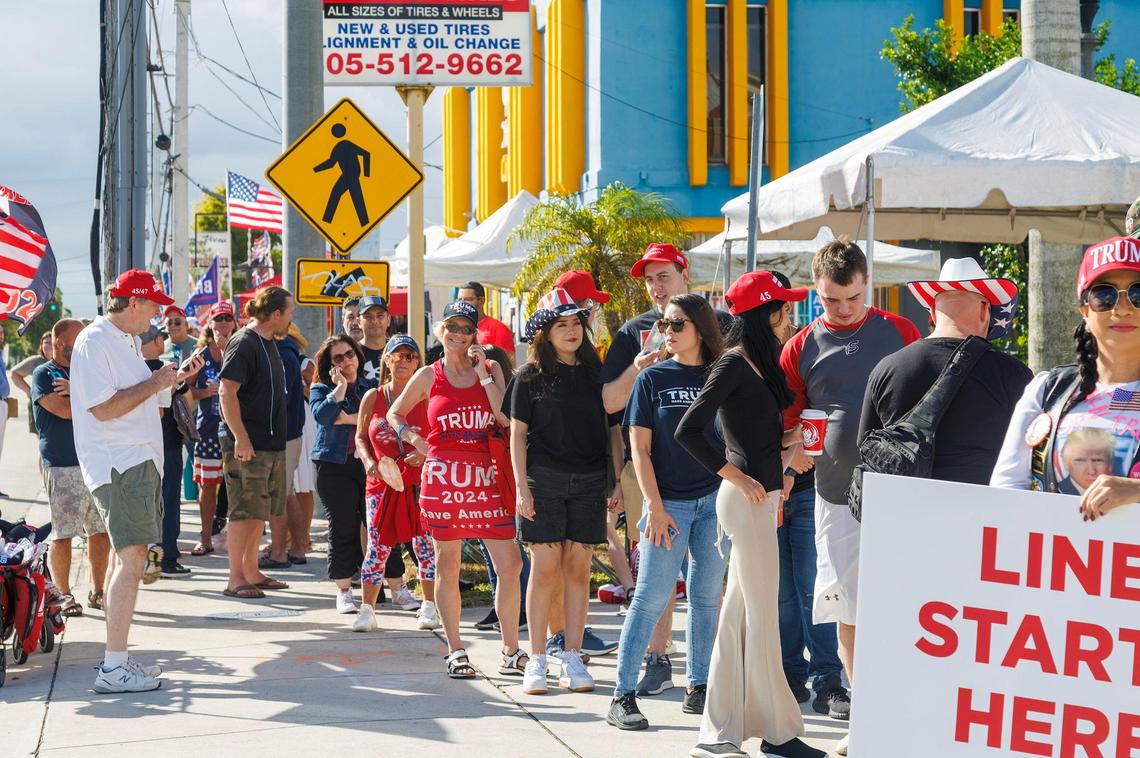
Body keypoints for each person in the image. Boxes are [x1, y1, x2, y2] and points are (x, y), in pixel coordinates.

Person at [676, 270, 825, 758]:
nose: (789, 318)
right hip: (745, 501)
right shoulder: (734, 365)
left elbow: (757, 438)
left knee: (742, 616)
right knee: (759, 618)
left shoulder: (759, 364)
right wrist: (737, 477)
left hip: (759, 500)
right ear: (768, 313)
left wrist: (790, 444)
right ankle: (778, 734)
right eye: (784, 309)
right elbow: (688, 430)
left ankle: (719, 734)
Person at [779, 240, 920, 748]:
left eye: (853, 299)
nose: (842, 310)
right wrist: (790, 456)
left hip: (899, 492)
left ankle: (902, 711)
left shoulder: (900, 331)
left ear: (868, 284)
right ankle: (863, 717)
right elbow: (789, 419)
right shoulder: (800, 345)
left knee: (903, 603)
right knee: (848, 607)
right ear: (818, 293)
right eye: (831, 301)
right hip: (834, 494)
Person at [599, 243, 726, 696]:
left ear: (684, 274)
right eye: (649, 279)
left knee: (706, 592)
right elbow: (611, 405)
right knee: (654, 589)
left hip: (714, 492)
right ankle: (651, 663)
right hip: (654, 480)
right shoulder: (635, 333)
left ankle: (701, 682)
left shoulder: (721, 340)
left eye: (663, 276)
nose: (655, 286)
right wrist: (638, 370)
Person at [69, 269, 203, 693]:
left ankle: (117, 661)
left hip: (132, 461)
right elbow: (103, 409)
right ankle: (113, 667)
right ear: (132, 303)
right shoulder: (96, 340)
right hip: (119, 463)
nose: (157, 314)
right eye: (152, 305)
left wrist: (171, 380)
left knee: (123, 560)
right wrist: (156, 380)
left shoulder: (125, 341)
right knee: (131, 559)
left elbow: (141, 398)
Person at [387, 301, 523, 680]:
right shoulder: (430, 376)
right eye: (452, 327)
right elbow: (393, 413)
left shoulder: (492, 369)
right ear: (440, 331)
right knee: (448, 564)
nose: (459, 335)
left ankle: (511, 650)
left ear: (475, 334)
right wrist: (414, 438)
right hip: (443, 480)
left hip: (488, 478)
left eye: (466, 328)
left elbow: (506, 417)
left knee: (510, 564)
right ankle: (456, 649)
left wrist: (482, 375)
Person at [993, 235, 1140, 521]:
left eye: (1139, 294)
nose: (1122, 309)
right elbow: (1005, 492)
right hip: (1054, 561)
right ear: (1084, 311)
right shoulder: (1048, 390)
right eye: (1105, 296)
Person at [509, 288, 613, 695]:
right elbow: (516, 437)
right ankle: (536, 658)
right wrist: (521, 487)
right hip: (543, 481)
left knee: (578, 569)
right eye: (561, 324)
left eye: (576, 323)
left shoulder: (595, 373)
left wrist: (614, 483)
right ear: (545, 333)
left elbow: (613, 429)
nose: (571, 331)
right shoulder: (527, 377)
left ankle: (572, 654)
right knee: (545, 568)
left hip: (589, 481)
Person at [860, 257, 1032, 483]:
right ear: (984, 310)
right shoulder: (1014, 375)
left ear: (931, 311)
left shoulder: (886, 369)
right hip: (984, 513)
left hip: (904, 511)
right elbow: (1029, 458)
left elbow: (866, 446)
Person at [354, 335, 441, 632]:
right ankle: (367, 609)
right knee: (377, 546)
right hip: (382, 484)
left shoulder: (429, 397)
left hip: (420, 483)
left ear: (418, 362)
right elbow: (361, 437)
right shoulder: (373, 397)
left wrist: (422, 453)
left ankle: (429, 606)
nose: (403, 361)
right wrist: (368, 462)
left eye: (410, 356)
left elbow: (441, 436)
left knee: (425, 545)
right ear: (386, 360)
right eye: (397, 355)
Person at [218, 286, 294, 600]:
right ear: (275, 314)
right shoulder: (244, 342)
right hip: (248, 444)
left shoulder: (267, 342)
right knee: (243, 512)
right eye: (289, 313)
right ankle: (236, 578)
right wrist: (241, 437)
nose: (291, 320)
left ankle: (251, 571)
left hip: (270, 444)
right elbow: (227, 392)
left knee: (257, 512)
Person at [31, 318, 110, 616]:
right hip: (63, 464)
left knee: (100, 532)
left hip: (96, 462)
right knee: (64, 534)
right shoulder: (44, 373)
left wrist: (77, 391)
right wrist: (89, 400)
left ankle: (98, 590)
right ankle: (62, 595)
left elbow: (110, 405)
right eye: (79, 338)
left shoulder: (86, 373)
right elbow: (64, 412)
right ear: (61, 342)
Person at [310, 335, 377, 614]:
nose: (347, 361)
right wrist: (338, 389)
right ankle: (344, 590)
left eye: (350, 354)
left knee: (376, 526)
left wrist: (348, 418)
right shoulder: (321, 387)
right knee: (343, 527)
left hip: (366, 463)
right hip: (332, 464)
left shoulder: (370, 386)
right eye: (338, 358)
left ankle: (393, 587)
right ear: (329, 365)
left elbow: (376, 419)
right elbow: (324, 417)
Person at [140, 324, 193, 579]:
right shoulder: (166, 369)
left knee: (149, 504)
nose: (163, 339)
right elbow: (186, 401)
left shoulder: (132, 369)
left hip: (141, 446)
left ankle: (151, 559)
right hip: (166, 444)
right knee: (168, 502)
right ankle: (166, 558)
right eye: (161, 336)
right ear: (156, 341)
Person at [188, 302, 236, 555]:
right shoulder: (200, 355)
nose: (224, 323)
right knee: (207, 487)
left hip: (236, 431)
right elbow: (182, 388)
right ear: (211, 324)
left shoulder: (240, 350)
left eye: (228, 318)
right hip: (207, 430)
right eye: (219, 319)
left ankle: (238, 543)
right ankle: (205, 538)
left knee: (238, 486)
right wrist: (202, 391)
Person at [261, 323, 309, 569]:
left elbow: (281, 399)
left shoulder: (283, 354)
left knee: (279, 495)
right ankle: (295, 547)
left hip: (284, 435)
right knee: (286, 493)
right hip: (287, 433)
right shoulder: (285, 351)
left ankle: (283, 549)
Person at [458, 281, 515, 355]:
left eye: (468, 299)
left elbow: (508, 361)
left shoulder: (498, 328)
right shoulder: (455, 329)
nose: (462, 304)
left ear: (481, 301)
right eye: (459, 300)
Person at [11, 332, 52, 435]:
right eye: (45, 342)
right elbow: (14, 374)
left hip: (57, 406)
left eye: (51, 342)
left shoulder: (63, 360)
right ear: (41, 345)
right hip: (39, 406)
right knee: (42, 439)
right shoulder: (36, 361)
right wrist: (29, 392)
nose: (48, 345)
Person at [357, 295, 391, 383]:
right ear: (358, 322)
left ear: (388, 320)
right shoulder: (351, 354)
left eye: (380, 316)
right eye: (368, 316)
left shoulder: (398, 352)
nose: (375, 321)